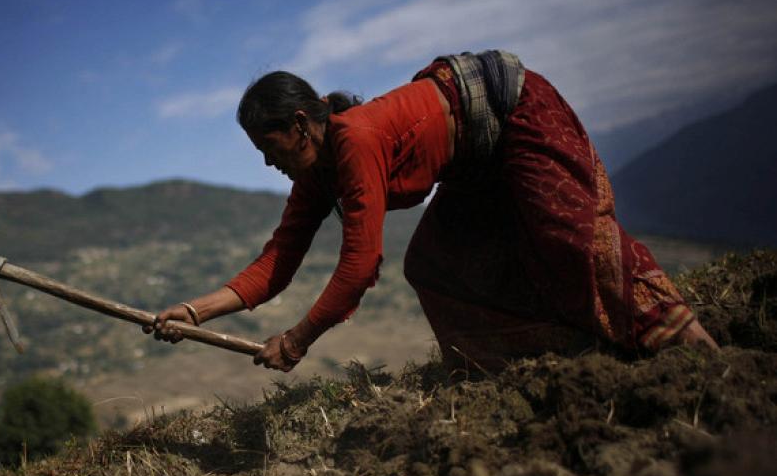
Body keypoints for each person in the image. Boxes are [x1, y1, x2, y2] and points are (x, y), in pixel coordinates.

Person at [143, 50, 717, 372]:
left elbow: (361, 261)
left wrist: (297, 340)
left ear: (299, 127)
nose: (269, 165)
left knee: (570, 238)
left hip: (515, 113)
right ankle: (553, 361)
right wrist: (195, 311)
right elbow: (278, 260)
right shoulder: (315, 174)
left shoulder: (354, 140)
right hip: (473, 168)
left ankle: (695, 351)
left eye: (269, 150)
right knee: (436, 266)